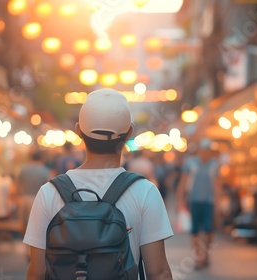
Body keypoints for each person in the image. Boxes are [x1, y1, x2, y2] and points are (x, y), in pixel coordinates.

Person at [24, 88, 173, 280]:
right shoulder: (145, 191)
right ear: (129, 133)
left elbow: (36, 273)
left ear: (78, 131)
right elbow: (159, 273)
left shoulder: (49, 192)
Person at [176, 139, 220, 270]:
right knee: (194, 232)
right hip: (193, 201)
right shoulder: (191, 163)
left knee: (208, 231)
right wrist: (180, 200)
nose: (206, 153)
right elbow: (183, 183)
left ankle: (205, 254)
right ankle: (198, 257)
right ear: (200, 151)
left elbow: (218, 185)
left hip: (209, 202)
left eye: (208, 151)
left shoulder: (214, 165)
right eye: (204, 151)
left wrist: (218, 203)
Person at [16, 150, 50, 231]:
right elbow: (48, 188)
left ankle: (23, 242)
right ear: (41, 158)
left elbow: (18, 185)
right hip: (36, 200)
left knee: (23, 224)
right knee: (34, 226)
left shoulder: (24, 169)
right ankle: (29, 243)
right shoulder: (45, 171)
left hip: (23, 198)